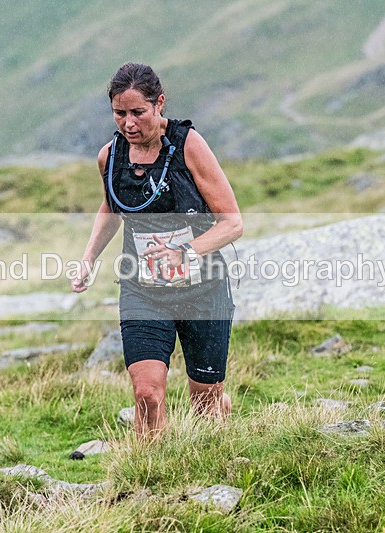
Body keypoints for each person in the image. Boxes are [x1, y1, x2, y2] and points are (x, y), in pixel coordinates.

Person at [72, 63, 243, 437]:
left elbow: (232, 223)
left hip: (203, 289)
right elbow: (111, 207)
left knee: (206, 405)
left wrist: (184, 251)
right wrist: (88, 258)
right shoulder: (110, 156)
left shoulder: (189, 146)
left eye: (138, 112)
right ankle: (149, 479)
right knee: (147, 394)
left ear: (159, 103)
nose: (129, 123)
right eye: (120, 113)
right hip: (143, 290)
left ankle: (217, 417)